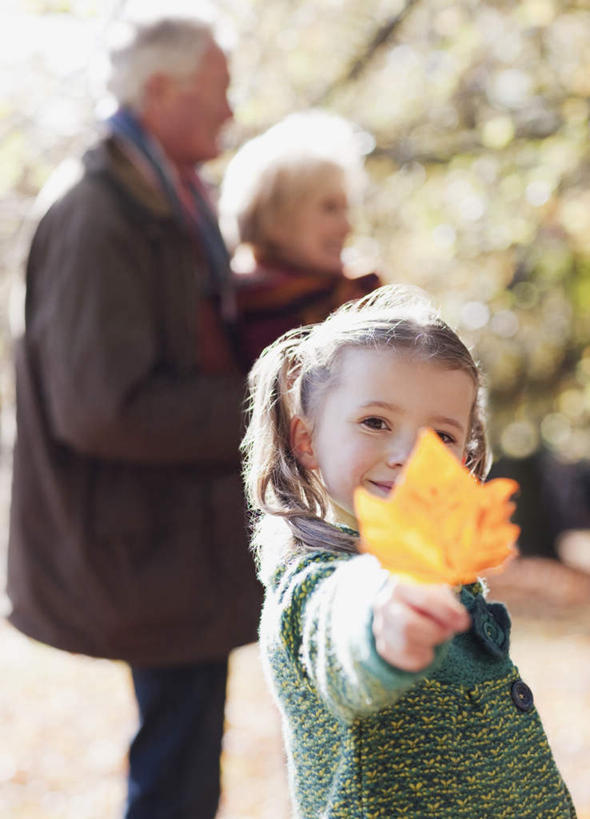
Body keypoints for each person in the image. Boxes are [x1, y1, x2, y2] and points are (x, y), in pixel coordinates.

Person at [7, 16, 261, 819]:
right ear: (160, 91)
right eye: (218, 90)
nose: (229, 109)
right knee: (174, 773)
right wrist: (271, 405)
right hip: (143, 544)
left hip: (176, 541)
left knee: (184, 755)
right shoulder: (99, 212)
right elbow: (103, 409)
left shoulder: (169, 197)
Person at [241, 284, 576, 818]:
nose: (409, 456)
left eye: (442, 435)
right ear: (307, 441)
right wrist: (382, 621)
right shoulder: (311, 585)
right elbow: (339, 625)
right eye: (375, 422)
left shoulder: (446, 574)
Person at [219, 110, 380, 369]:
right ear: (276, 220)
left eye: (346, 208)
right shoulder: (233, 310)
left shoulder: (365, 297)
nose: (347, 226)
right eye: (329, 208)